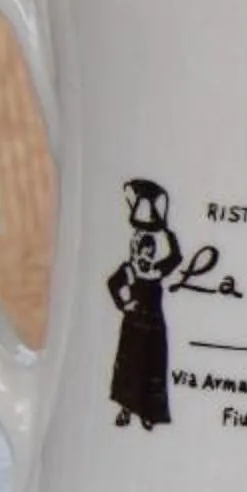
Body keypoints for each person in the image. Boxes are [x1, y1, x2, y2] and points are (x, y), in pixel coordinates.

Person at [107, 179, 182, 429]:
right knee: (130, 368)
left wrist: (168, 232)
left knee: (153, 369)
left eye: (149, 250)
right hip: (135, 325)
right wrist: (122, 304)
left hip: (154, 326)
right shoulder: (131, 270)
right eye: (143, 249)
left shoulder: (155, 271)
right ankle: (127, 410)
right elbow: (112, 283)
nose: (146, 254)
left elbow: (176, 258)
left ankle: (149, 413)